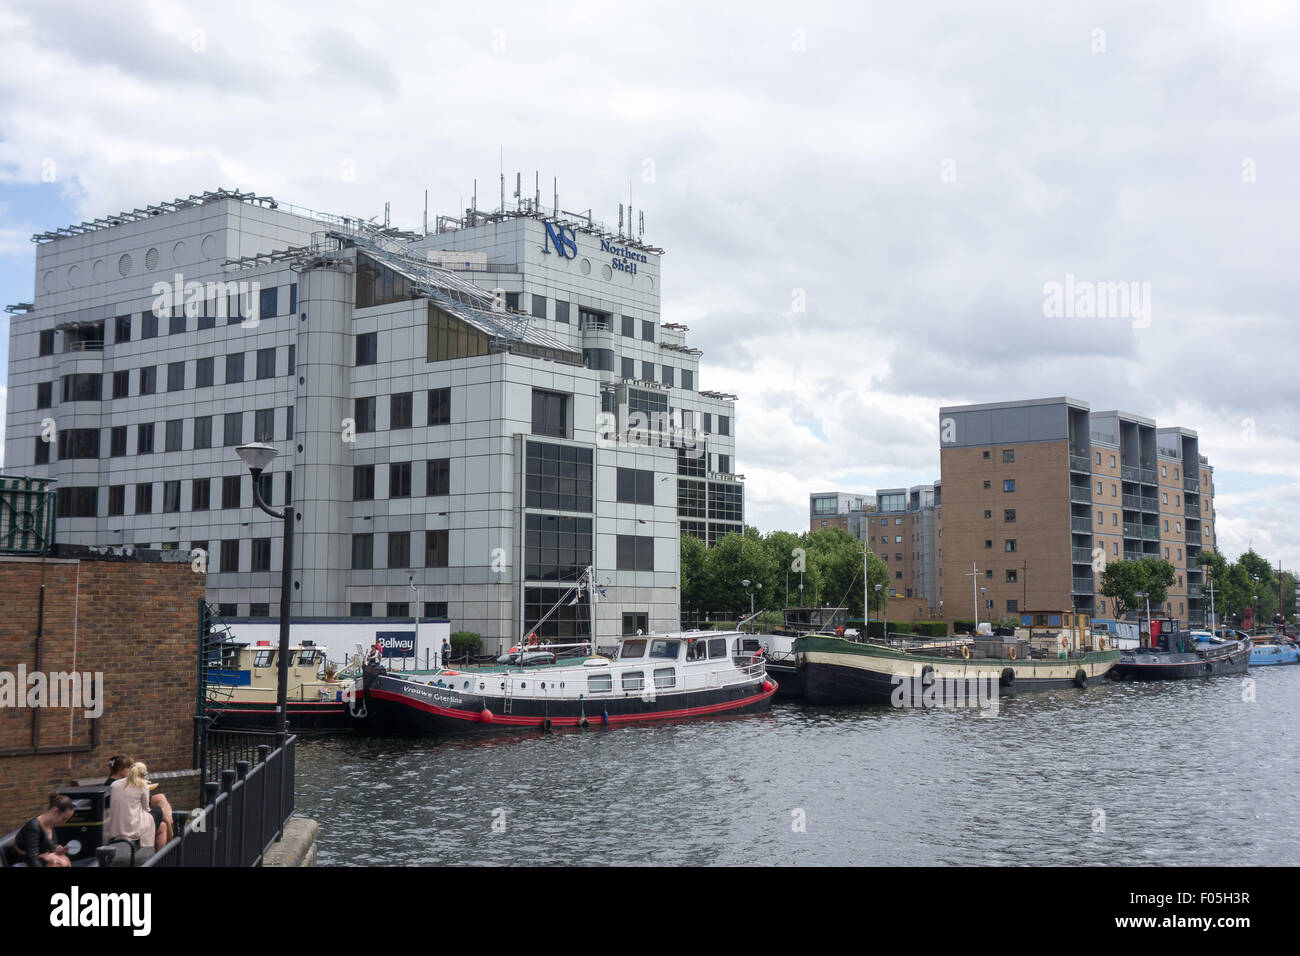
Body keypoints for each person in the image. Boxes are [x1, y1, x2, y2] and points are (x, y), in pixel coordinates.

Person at [104, 753, 174, 846]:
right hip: (129, 822)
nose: (131, 770)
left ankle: (172, 828)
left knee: (160, 798)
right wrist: (143, 786)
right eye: (129, 768)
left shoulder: (116, 783)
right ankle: (173, 835)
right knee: (163, 819)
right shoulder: (114, 785)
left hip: (128, 819)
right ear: (121, 769)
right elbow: (145, 808)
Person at [14, 793, 75, 867]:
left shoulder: (50, 825)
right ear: (55, 811)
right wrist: (46, 858)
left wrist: (56, 850)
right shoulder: (33, 827)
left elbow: (47, 846)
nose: (64, 822)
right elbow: (32, 860)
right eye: (64, 819)